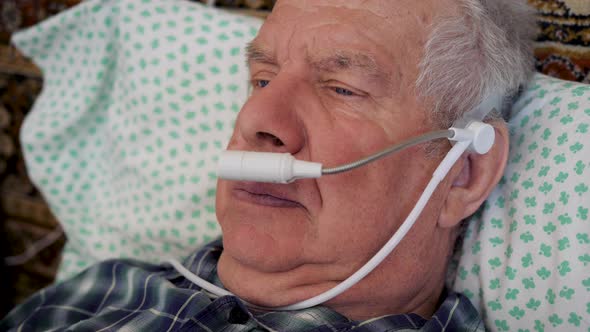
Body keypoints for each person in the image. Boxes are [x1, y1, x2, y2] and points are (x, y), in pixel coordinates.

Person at [1, 0, 534, 330]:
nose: (257, 118)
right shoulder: (106, 289)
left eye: (342, 88)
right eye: (261, 80)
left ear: (463, 174)